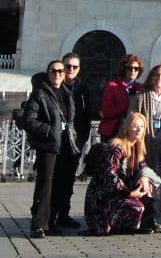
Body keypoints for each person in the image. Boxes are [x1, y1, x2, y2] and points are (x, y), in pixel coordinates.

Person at [22, 60, 79, 238]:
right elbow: (29, 120)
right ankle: (39, 224)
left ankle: (52, 221)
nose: (57, 74)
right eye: (53, 71)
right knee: (45, 183)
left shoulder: (67, 94)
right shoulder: (40, 94)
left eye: (60, 71)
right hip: (48, 145)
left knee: (59, 183)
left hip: (65, 145)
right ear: (48, 73)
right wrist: (49, 130)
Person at [84, 112, 156, 235]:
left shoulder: (136, 148)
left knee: (149, 191)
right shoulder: (116, 148)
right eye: (134, 126)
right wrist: (129, 193)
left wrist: (144, 177)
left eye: (142, 126)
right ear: (127, 127)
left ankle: (142, 225)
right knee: (137, 207)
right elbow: (110, 176)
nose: (139, 129)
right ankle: (107, 225)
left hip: (119, 193)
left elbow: (144, 166)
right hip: (104, 197)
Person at [53, 52, 92, 229]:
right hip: (56, 140)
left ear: (79, 69)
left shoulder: (83, 89)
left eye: (74, 67)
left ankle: (63, 214)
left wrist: (82, 138)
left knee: (68, 179)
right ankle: (49, 214)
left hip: (75, 141)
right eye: (67, 66)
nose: (70, 70)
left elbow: (88, 114)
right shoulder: (55, 87)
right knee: (53, 178)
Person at [98, 54, 144, 141]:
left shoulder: (141, 88)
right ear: (124, 69)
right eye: (129, 68)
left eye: (136, 69)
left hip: (134, 132)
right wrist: (129, 103)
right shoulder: (112, 86)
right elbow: (107, 112)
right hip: (113, 131)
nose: (133, 71)